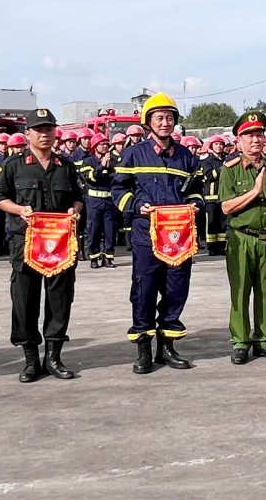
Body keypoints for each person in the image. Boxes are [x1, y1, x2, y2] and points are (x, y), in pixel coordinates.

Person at [112, 93, 201, 373]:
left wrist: (195, 205)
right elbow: (119, 190)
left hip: (179, 238)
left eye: (170, 117)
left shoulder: (186, 156)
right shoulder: (134, 154)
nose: (165, 122)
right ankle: (143, 350)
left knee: (176, 290)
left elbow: (197, 190)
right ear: (148, 122)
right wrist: (137, 206)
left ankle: (167, 348)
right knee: (144, 291)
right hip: (146, 235)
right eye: (160, 117)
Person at [0, 109, 82, 382]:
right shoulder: (15, 165)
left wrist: (74, 211)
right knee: (24, 301)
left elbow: (78, 198)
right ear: (28, 133)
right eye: (38, 129)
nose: (44, 134)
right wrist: (19, 209)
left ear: (55, 133)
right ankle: (31, 359)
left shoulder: (66, 166)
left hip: (59, 245)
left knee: (59, 300)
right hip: (26, 244)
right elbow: (0, 198)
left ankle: (54, 357)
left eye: (49, 129)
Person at [215, 112, 266, 363]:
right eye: (249, 135)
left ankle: (264, 340)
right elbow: (226, 207)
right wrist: (255, 191)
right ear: (238, 141)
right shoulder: (230, 170)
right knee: (240, 292)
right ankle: (240, 342)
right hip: (242, 239)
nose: (255, 140)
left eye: (259, 134)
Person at [76, 134, 119, 268]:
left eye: (107, 144)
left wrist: (103, 171)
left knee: (110, 230)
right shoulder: (88, 161)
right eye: (102, 144)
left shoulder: (114, 161)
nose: (105, 147)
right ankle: (94, 257)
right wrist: (101, 167)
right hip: (94, 201)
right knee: (93, 229)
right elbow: (90, 178)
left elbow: (115, 177)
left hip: (109, 200)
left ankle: (108, 257)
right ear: (95, 147)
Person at [199, 136, 228, 256]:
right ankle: (212, 248)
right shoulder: (207, 161)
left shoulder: (225, 160)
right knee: (211, 223)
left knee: (222, 224)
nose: (219, 146)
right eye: (216, 144)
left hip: (223, 197)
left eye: (221, 144)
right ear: (211, 146)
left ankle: (221, 247)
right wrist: (223, 168)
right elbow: (209, 176)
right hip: (211, 198)